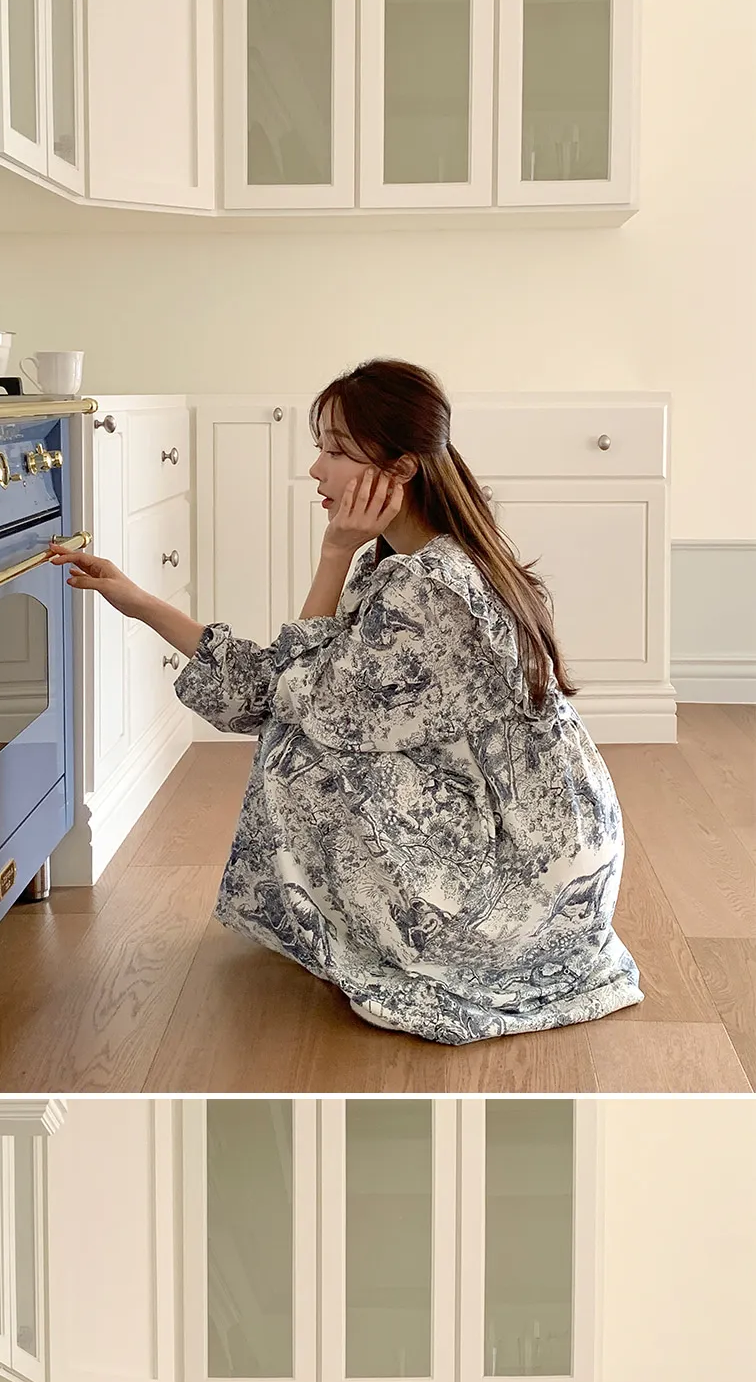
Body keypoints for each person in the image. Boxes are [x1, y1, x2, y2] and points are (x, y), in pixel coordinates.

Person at [54, 357, 642, 1048]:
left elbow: (295, 701)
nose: (316, 470)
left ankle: (417, 940)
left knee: (302, 750)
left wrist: (333, 553)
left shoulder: (428, 589)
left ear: (400, 470)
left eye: (335, 451)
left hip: (529, 887)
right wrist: (139, 602)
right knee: (304, 725)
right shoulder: (411, 562)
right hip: (542, 854)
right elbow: (283, 688)